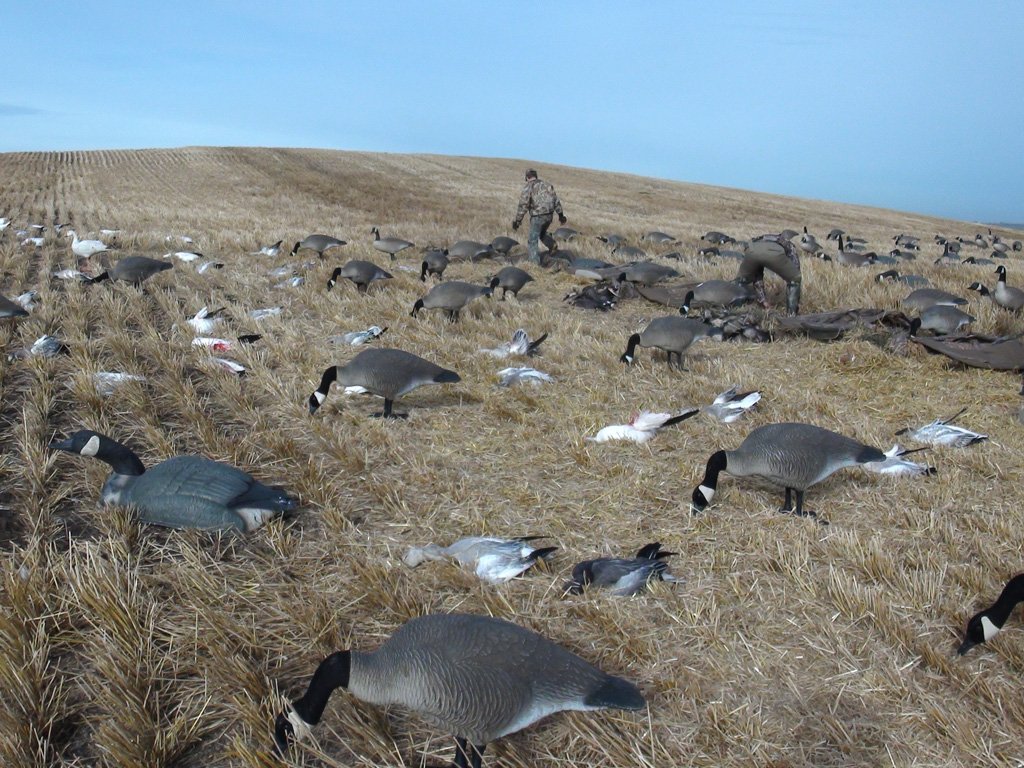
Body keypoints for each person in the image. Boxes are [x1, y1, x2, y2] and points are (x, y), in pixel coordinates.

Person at [736, 232, 802, 314]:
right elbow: (796, 268)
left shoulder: (761, 238)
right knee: (795, 279)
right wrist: (797, 300)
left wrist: (763, 300)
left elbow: (757, 275)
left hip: (751, 249)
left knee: (741, 280)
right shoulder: (787, 243)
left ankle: (729, 307)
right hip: (773, 252)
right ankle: (791, 315)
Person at [512, 169, 566, 264]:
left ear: (527, 177)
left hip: (537, 216)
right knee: (542, 233)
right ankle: (552, 245)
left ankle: (534, 264)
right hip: (549, 216)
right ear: (536, 176)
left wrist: (517, 221)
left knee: (532, 240)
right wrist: (561, 215)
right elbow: (556, 201)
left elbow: (523, 206)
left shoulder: (528, 187)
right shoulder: (548, 185)